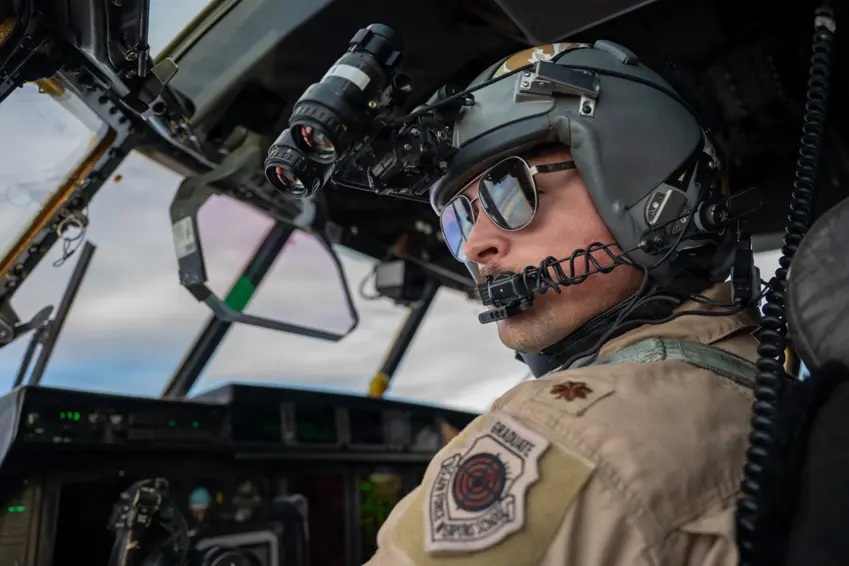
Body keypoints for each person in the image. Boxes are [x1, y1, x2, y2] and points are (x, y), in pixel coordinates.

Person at [364, 40, 761, 565]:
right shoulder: (751, 377)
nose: (476, 245)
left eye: (509, 189)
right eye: (460, 219)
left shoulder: (560, 435)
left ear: (647, 190)